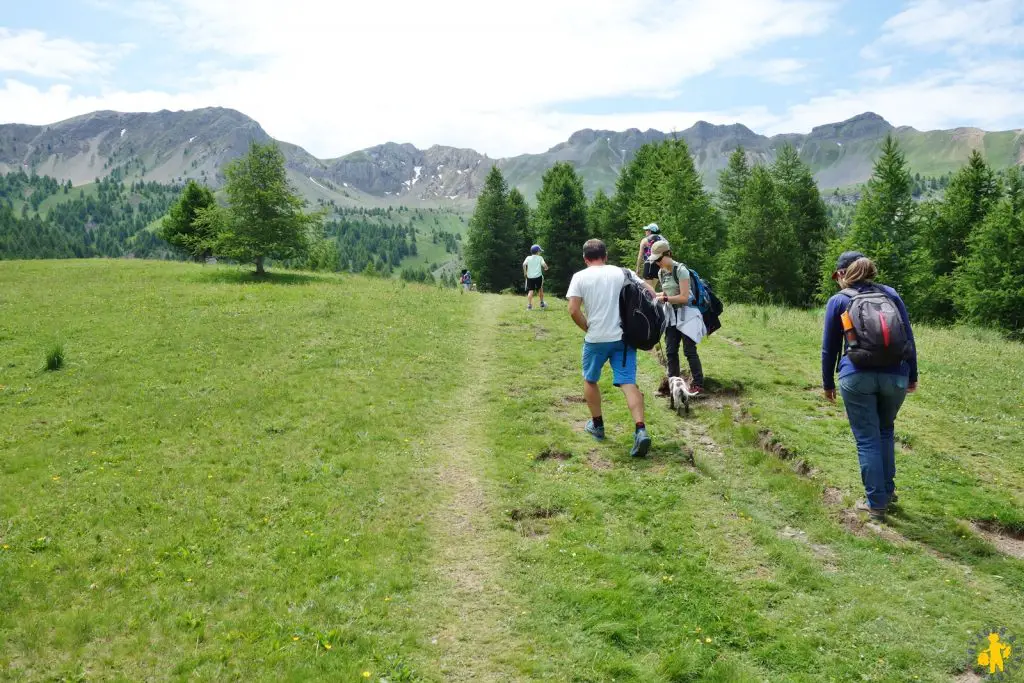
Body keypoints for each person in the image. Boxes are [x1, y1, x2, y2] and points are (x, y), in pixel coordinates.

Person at [822, 252, 918, 522]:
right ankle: (887, 492)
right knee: (885, 431)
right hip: (896, 375)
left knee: (867, 438)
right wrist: (912, 374)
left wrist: (828, 383)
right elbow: (908, 336)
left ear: (842, 273)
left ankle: (876, 504)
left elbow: (830, 348)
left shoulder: (839, 300)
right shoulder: (891, 294)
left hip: (857, 376)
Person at [567, 238, 651, 458]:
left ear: (585, 258)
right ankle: (640, 430)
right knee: (628, 382)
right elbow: (649, 291)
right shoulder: (621, 272)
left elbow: (573, 310)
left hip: (596, 338)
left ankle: (598, 426)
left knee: (590, 379)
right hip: (624, 338)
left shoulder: (579, 277)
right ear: (605, 256)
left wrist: (588, 328)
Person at [648, 240, 705, 394]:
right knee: (671, 350)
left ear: (668, 254)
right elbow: (668, 293)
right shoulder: (661, 273)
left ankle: (698, 384)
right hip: (671, 315)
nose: (657, 263)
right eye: (655, 260)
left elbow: (684, 297)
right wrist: (654, 295)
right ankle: (672, 384)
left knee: (689, 350)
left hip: (687, 315)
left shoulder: (681, 270)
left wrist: (665, 299)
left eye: (659, 259)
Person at [635, 223, 665, 288]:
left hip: (649, 264)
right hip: (659, 266)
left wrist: (637, 268)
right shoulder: (662, 240)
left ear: (650, 231)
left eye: (646, 230)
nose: (645, 231)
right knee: (652, 288)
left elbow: (640, 255)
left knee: (646, 289)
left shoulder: (645, 240)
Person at [522, 244, 549, 310]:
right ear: (537, 252)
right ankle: (542, 303)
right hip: (538, 277)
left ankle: (529, 306)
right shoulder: (540, 258)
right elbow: (543, 264)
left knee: (531, 291)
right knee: (540, 289)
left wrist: (525, 273)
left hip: (530, 277)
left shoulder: (528, 257)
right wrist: (546, 268)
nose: (540, 252)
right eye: (540, 251)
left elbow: (524, 264)